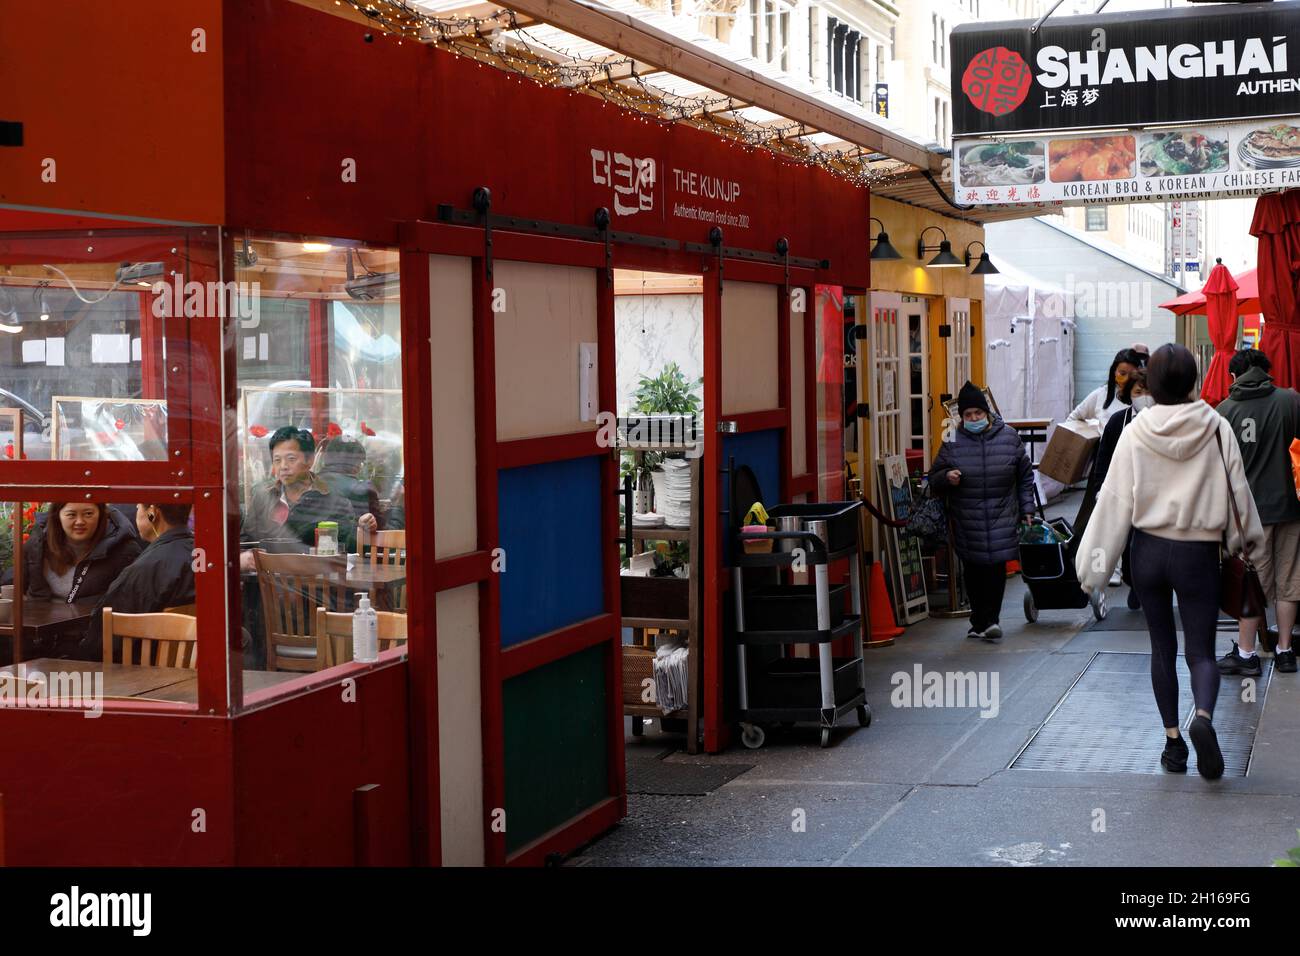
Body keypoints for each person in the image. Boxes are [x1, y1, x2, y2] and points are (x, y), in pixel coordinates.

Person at [1074, 344, 1265, 780]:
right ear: (1193, 381)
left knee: (1162, 648)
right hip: (1198, 553)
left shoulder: (1136, 431)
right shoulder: (1216, 427)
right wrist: (1248, 543)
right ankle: (1203, 716)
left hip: (1149, 552)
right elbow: (1238, 493)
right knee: (1202, 651)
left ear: (1152, 383)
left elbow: (1115, 501)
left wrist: (1093, 568)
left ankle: (1173, 744)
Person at [1214, 348, 1300, 676]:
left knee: (1252, 582)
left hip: (1248, 514)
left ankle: (1248, 653)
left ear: (1234, 377)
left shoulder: (1224, 411)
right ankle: (1285, 651)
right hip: (1291, 506)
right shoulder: (1291, 401)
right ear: (1266, 371)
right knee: (1289, 579)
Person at [929, 381, 1036, 642]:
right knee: (974, 570)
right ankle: (979, 619)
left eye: (978, 413)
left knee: (996, 568)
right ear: (961, 417)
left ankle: (991, 620)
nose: (973, 418)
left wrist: (1027, 509)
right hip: (967, 517)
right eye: (968, 415)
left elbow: (1024, 477)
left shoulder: (1009, 437)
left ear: (987, 413)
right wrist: (947, 477)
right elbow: (933, 477)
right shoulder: (951, 440)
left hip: (1001, 513)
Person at [1071, 368, 1155, 607]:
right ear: (1130, 394)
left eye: (1149, 391)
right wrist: (1099, 488)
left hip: (1153, 498)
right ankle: (1133, 581)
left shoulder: (1165, 424)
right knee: (1127, 548)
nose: (1144, 396)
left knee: (1148, 546)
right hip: (1122, 496)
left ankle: (1145, 587)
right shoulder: (1119, 422)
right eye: (1139, 392)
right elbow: (1103, 459)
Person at [239, 426, 378, 571]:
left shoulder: (333, 498)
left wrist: (362, 529)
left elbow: (347, 550)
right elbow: (245, 540)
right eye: (277, 460)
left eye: (291, 459)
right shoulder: (264, 497)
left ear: (310, 460)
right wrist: (243, 557)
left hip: (313, 585)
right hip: (268, 586)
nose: (283, 466)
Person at [86, 502, 197, 655]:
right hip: (194, 663)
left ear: (152, 513)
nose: (136, 512)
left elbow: (100, 638)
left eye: (138, 507)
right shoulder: (203, 553)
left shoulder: (146, 568)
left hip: (145, 670)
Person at [24, 502, 142, 604]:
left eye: (88, 514)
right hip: (40, 625)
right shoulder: (38, 544)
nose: (80, 521)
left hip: (93, 626)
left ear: (101, 515)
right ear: (57, 516)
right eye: (71, 514)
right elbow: (15, 585)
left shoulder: (124, 551)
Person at [1065, 347, 1145, 429]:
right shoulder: (1101, 394)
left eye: (1132, 374)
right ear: (1114, 372)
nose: (1126, 379)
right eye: (1122, 373)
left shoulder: (1144, 398)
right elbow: (1072, 419)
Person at [314, 437, 383, 531]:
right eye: (360, 462)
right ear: (357, 465)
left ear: (326, 459)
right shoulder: (364, 490)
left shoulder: (310, 483)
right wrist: (397, 507)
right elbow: (385, 535)